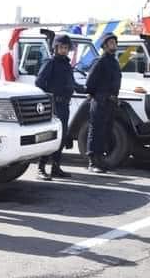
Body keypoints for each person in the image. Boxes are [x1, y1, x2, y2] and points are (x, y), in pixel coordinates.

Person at [35, 33, 83, 180]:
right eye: (61, 47)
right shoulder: (50, 63)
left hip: (64, 105)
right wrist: (50, 96)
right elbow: (39, 82)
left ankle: (56, 167)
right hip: (54, 105)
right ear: (55, 48)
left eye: (66, 48)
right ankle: (41, 167)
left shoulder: (66, 64)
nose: (64, 50)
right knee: (50, 137)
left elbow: (72, 83)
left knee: (61, 137)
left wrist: (86, 89)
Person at [84, 32, 122, 173]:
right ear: (105, 46)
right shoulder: (100, 62)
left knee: (106, 132)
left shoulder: (114, 62)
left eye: (115, 42)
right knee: (96, 131)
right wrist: (100, 95)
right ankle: (92, 162)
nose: (114, 45)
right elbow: (90, 83)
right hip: (100, 101)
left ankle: (100, 160)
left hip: (111, 102)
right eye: (111, 43)